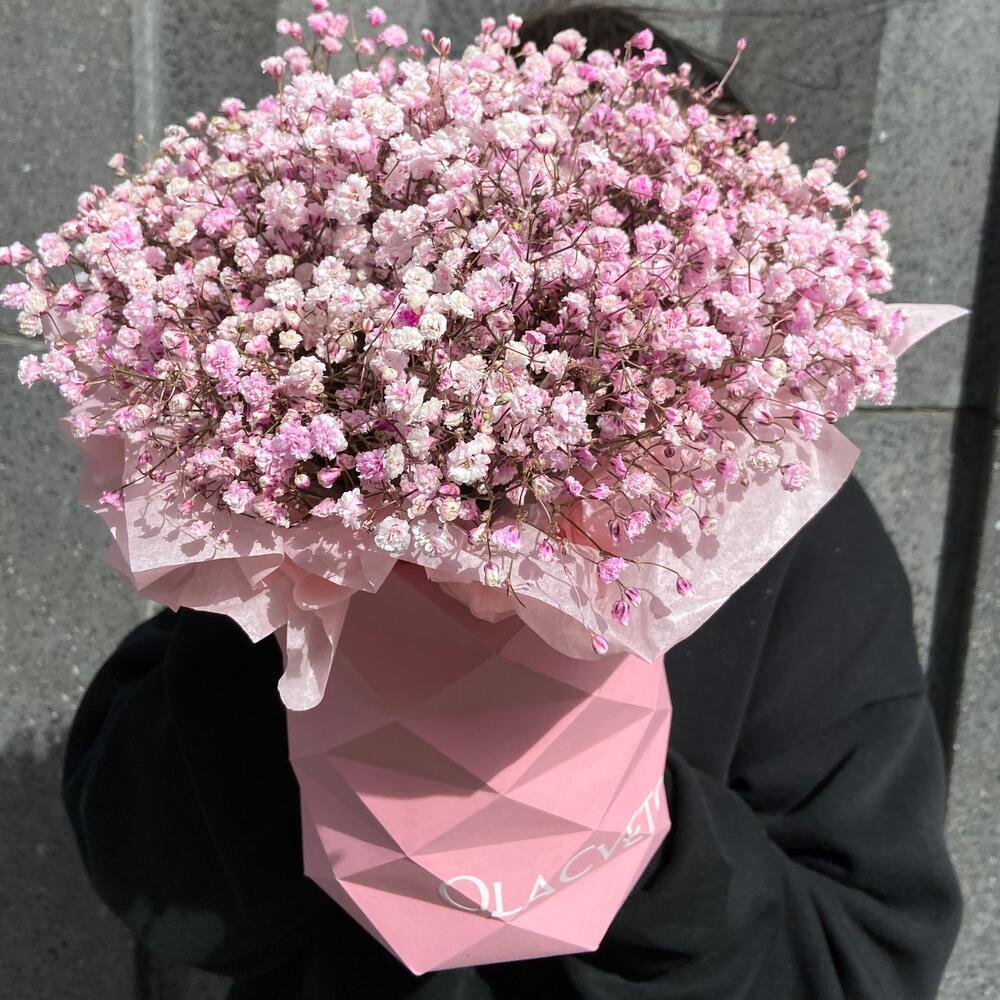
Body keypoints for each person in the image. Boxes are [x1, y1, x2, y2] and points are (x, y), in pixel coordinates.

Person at [61, 6, 962, 999]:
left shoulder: (800, 531)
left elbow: (860, 958)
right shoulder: (305, 498)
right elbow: (162, 877)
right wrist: (296, 624)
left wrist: (634, 834)